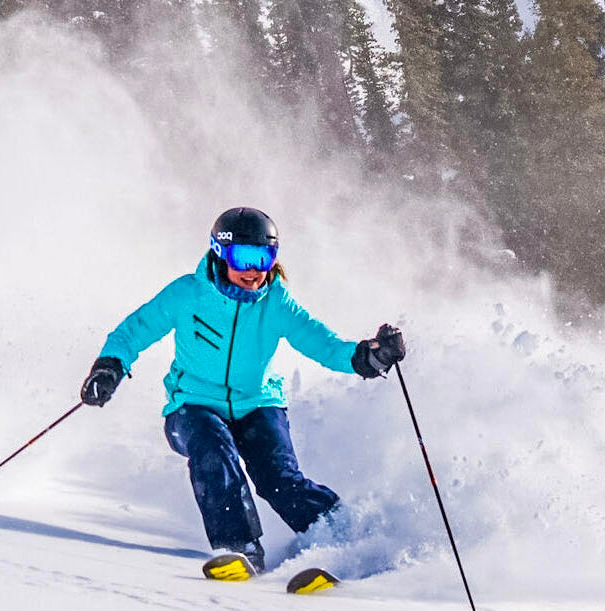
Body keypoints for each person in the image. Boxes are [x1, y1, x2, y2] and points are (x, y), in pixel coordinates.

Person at [79, 207, 405, 576]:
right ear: (220, 252)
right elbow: (133, 331)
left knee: (279, 479)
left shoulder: (277, 303)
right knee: (213, 452)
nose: (254, 271)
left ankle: (349, 539)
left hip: (259, 405)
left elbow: (324, 344)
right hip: (192, 406)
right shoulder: (188, 293)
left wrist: (368, 357)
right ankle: (241, 548)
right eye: (244, 258)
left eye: (264, 258)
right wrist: (110, 366)